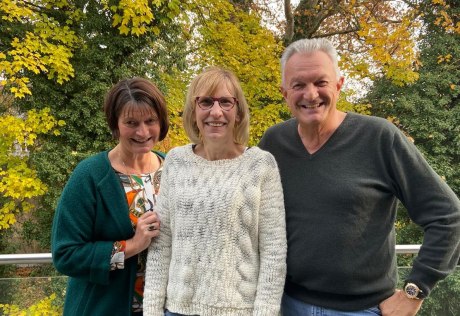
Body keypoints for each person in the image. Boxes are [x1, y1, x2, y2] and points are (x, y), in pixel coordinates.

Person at [258, 38, 460, 316]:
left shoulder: (379, 138)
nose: (311, 94)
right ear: (284, 92)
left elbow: (448, 215)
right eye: (299, 85)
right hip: (288, 304)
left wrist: (415, 290)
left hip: (364, 310)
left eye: (321, 82)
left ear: (339, 84)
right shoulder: (274, 142)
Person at [143, 67, 287, 316]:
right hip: (177, 309)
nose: (216, 111)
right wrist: (152, 311)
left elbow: (274, 250)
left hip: (239, 310)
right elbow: (162, 243)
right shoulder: (176, 161)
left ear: (238, 112)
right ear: (194, 110)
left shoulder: (261, 165)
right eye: (206, 102)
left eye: (226, 102)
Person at [51, 77, 169, 315]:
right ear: (115, 125)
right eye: (131, 122)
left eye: (150, 121)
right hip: (103, 308)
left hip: (165, 309)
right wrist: (132, 245)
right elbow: (66, 255)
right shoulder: (91, 176)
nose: (143, 131)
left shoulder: (172, 169)